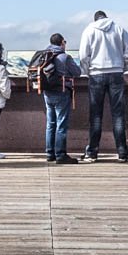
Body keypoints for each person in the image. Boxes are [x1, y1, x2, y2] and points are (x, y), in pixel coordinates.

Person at [78, 10, 128, 162]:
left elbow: (83, 56)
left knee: (95, 115)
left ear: (95, 19)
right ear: (106, 17)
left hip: (96, 74)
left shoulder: (89, 30)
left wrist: (88, 71)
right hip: (116, 74)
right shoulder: (119, 29)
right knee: (118, 115)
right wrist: (122, 67)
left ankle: (92, 153)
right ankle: (122, 153)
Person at [28, 33, 83, 164]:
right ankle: (60, 154)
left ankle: (49, 153)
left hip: (47, 93)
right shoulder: (65, 57)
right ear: (62, 43)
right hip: (62, 92)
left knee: (50, 124)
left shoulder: (43, 55)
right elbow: (77, 73)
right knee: (61, 125)